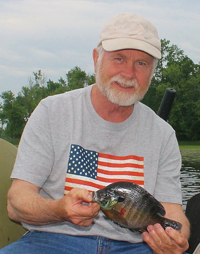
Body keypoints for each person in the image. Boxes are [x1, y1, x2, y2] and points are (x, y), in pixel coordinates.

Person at [1, 13, 190, 254]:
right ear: (95, 59)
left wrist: (177, 239)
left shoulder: (163, 134)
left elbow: (173, 213)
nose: (129, 73)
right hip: (51, 241)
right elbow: (16, 202)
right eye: (119, 58)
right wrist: (59, 209)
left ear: (152, 72)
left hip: (136, 247)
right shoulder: (52, 111)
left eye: (141, 63)